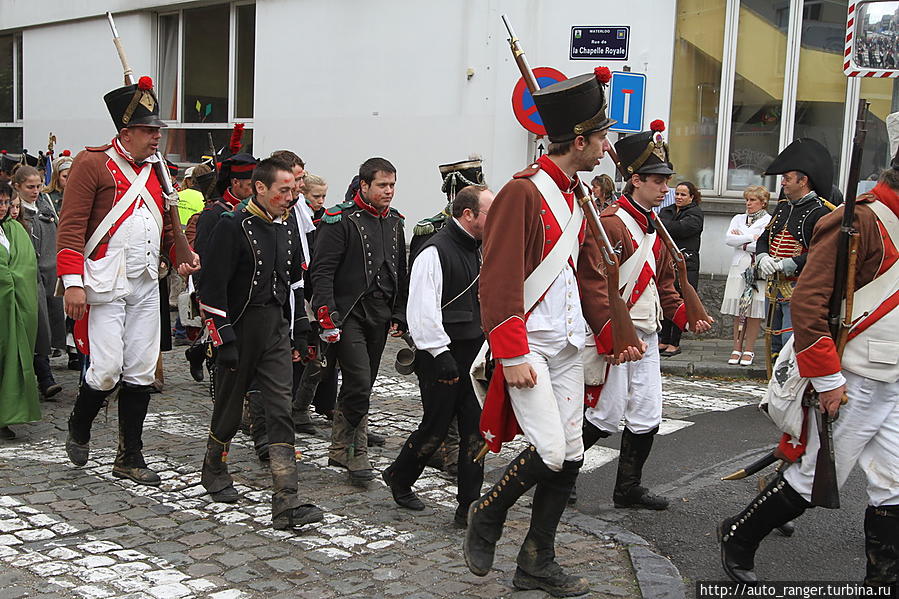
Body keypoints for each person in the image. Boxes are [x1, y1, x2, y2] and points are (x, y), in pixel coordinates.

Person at [464, 70, 644, 597]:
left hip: (566, 344)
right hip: (532, 346)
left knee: (570, 454)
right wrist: (512, 351)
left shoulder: (577, 194)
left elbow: (587, 273)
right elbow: (497, 280)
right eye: (602, 137)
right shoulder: (522, 193)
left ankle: (536, 562)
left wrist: (611, 332)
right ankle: (487, 515)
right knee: (546, 451)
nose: (607, 146)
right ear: (581, 140)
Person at [718, 166, 899, 591]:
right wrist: (828, 377)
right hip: (853, 374)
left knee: (894, 483)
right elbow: (808, 303)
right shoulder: (859, 220)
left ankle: (883, 580)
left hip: (893, 374)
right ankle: (739, 535)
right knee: (814, 477)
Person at [56, 75, 199, 485]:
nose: (157, 137)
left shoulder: (160, 170)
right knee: (105, 369)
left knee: (139, 371)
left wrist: (181, 256)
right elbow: (71, 228)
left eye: (157, 130)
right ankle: (80, 422)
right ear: (126, 131)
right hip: (102, 281)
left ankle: (129, 455)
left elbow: (166, 230)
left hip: (146, 283)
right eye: (149, 130)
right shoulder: (91, 163)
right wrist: (73, 283)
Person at [581, 122, 712, 511]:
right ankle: (561, 474)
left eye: (666, 180)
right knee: (604, 416)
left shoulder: (654, 227)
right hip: (621, 334)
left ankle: (628, 489)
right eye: (657, 180)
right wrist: (611, 335)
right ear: (635, 181)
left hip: (648, 332)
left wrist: (685, 314)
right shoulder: (612, 224)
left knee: (647, 412)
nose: (665, 187)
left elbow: (665, 283)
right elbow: (595, 287)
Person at [197, 157, 324, 530]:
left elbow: (291, 283)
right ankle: (214, 468)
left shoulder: (286, 227)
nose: (290, 198)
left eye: (294, 191)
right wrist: (224, 338)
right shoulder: (231, 226)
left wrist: (300, 328)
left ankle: (287, 500)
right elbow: (211, 286)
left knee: (280, 408)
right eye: (283, 191)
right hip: (238, 327)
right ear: (260, 188)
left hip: (273, 328)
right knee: (230, 408)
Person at [383, 184, 493, 526]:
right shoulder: (434, 250)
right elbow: (421, 309)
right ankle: (399, 477)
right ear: (468, 214)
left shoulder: (479, 248)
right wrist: (439, 352)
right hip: (441, 354)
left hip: (473, 354)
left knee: (476, 432)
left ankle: (468, 507)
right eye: (490, 211)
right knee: (435, 428)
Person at [311, 157, 407, 485]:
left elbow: (399, 271)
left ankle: (339, 447)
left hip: (380, 315)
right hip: (348, 312)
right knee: (360, 383)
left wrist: (399, 313)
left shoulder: (395, 221)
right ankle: (355, 451)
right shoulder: (339, 220)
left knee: (361, 383)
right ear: (363, 185)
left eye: (392, 185)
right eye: (382, 185)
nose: (389, 191)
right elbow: (321, 272)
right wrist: (326, 315)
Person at [755, 138, 833, 369]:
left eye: (787, 179)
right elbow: (764, 239)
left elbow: (821, 253)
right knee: (773, 342)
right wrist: (763, 258)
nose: (783, 184)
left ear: (803, 180)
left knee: (791, 343)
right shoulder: (783, 207)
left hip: (799, 288)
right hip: (775, 288)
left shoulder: (819, 212)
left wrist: (787, 264)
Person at [12, 165, 63, 399]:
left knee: (52, 323)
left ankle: (50, 369)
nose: (35, 191)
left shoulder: (47, 205)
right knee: (37, 327)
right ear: (18, 187)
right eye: (30, 187)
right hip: (29, 277)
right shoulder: (15, 212)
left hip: (51, 274)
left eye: (38, 186)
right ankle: (44, 378)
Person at [0, 182, 42, 440]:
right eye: (1, 203)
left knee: (8, 361)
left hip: (12, 307)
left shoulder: (12, 230)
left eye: (6, 202)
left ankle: (5, 415)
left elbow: (25, 267)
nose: (4, 208)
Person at [721, 185, 771, 366]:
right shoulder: (738, 218)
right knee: (739, 309)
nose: (748, 203)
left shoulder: (769, 220)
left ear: (763, 203)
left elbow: (763, 245)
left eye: (752, 200)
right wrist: (750, 237)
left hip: (756, 268)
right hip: (738, 268)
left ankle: (749, 349)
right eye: (747, 200)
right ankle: (736, 347)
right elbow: (728, 239)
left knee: (754, 310)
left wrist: (741, 238)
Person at [657, 181, 704, 357]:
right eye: (677, 193)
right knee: (666, 300)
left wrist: (665, 226)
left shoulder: (695, 213)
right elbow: (659, 228)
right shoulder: (667, 210)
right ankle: (664, 338)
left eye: (683, 194)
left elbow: (681, 229)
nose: (678, 197)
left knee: (680, 300)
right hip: (666, 261)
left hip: (686, 263)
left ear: (692, 197)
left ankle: (675, 342)